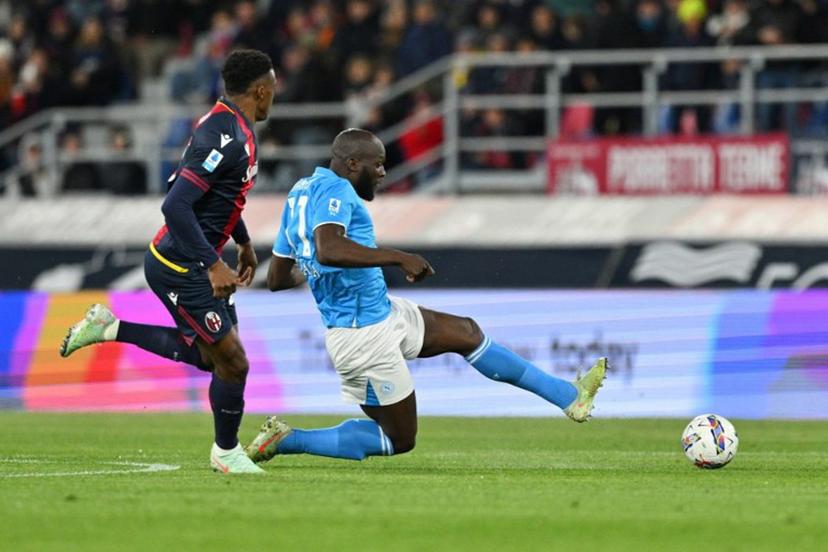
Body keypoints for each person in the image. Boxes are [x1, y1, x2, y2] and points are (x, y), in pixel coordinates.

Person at [245, 128, 608, 464]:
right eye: (377, 164)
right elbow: (329, 249)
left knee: (466, 332)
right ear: (353, 164)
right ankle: (288, 439)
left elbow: (278, 277)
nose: (383, 173)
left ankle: (569, 396)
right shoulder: (336, 189)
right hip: (362, 336)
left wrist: (312, 265)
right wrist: (398, 257)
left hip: (381, 313)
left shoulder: (300, 193)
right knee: (399, 439)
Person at [59, 50, 278, 474]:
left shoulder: (233, 127)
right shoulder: (223, 134)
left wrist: (243, 241)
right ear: (260, 91)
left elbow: (219, 198)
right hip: (180, 263)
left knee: (212, 359)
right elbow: (176, 205)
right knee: (234, 362)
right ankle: (226, 453)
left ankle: (110, 327)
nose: (275, 96)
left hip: (193, 257)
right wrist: (213, 263)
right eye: (273, 89)